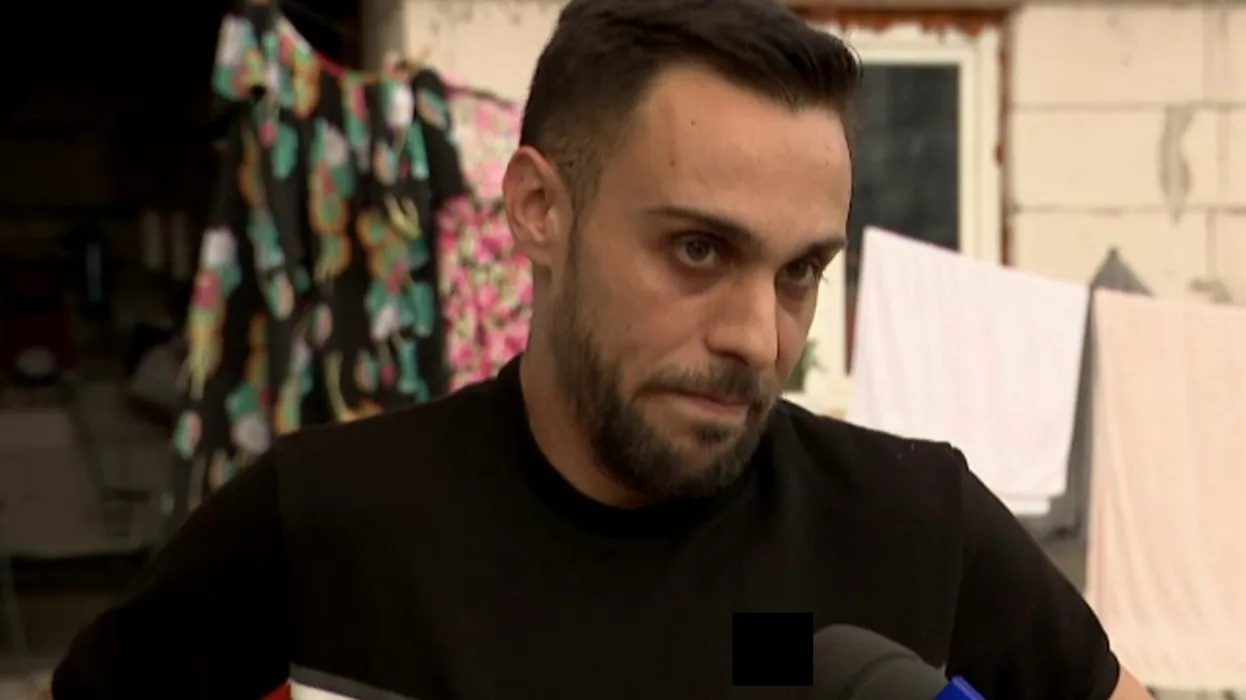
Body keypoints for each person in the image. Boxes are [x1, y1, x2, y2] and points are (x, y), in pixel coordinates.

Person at [52, 0, 1154, 698]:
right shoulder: (327, 525)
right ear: (539, 208)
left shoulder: (912, 528)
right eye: (696, 249)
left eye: (800, 271)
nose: (755, 336)